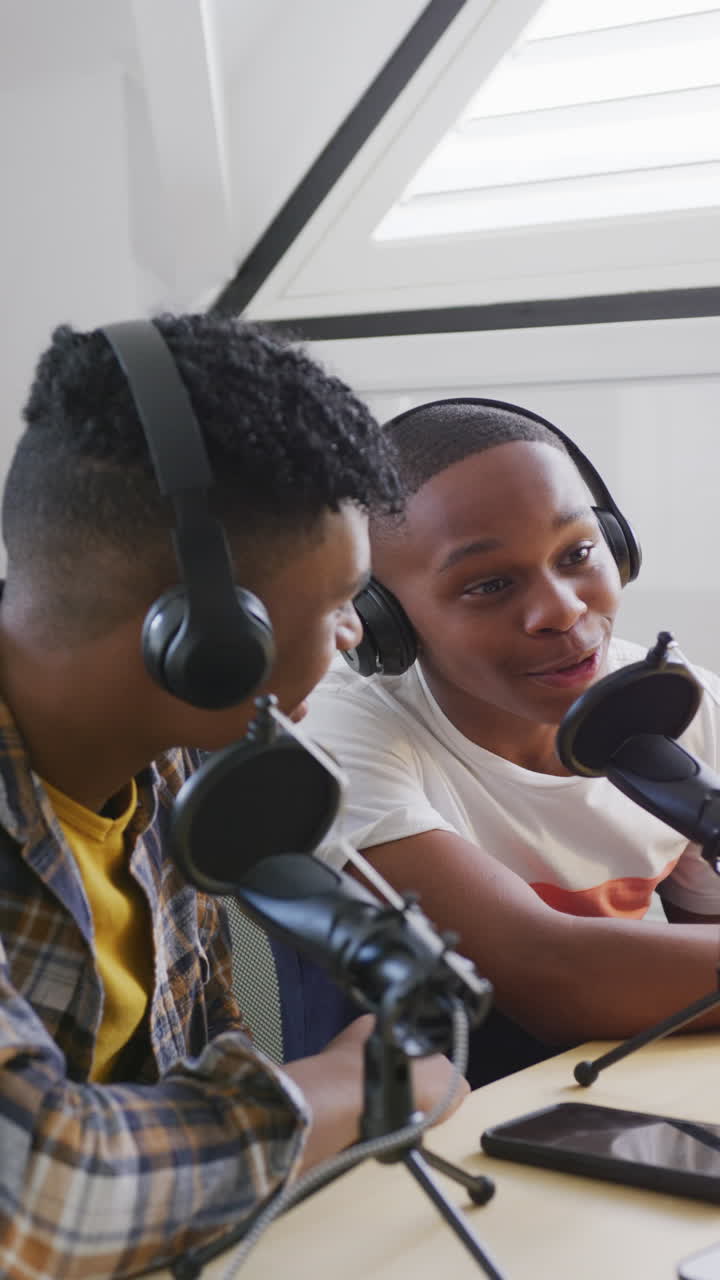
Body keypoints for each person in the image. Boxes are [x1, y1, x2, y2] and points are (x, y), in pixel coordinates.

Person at [0, 319, 466, 1280]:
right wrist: (355, 1086)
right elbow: (43, 1198)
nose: (349, 637)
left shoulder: (174, 766)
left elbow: (197, 1073)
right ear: (206, 634)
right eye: (341, 599)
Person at [301, 396, 720, 1084]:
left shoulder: (681, 699)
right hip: (454, 1132)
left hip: (641, 1089)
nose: (562, 609)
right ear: (384, 622)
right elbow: (550, 974)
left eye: (579, 552)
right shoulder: (342, 738)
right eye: (490, 584)